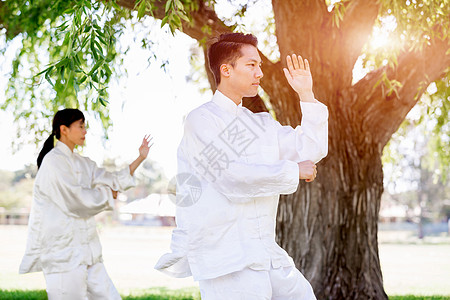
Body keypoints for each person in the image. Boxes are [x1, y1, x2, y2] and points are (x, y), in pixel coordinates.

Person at [155, 33, 328, 299]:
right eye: (252, 65)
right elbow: (230, 178)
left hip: (264, 252)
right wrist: (293, 171)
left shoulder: (259, 123)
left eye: (259, 65)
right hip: (226, 255)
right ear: (226, 69)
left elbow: (311, 149)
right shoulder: (201, 120)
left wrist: (306, 94)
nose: (260, 72)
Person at [19, 108, 152, 300]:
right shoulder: (53, 162)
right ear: (63, 129)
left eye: (85, 126)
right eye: (80, 126)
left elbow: (112, 180)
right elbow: (75, 200)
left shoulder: (83, 163)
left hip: (88, 252)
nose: (85, 131)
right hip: (63, 254)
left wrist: (140, 158)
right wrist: (108, 194)